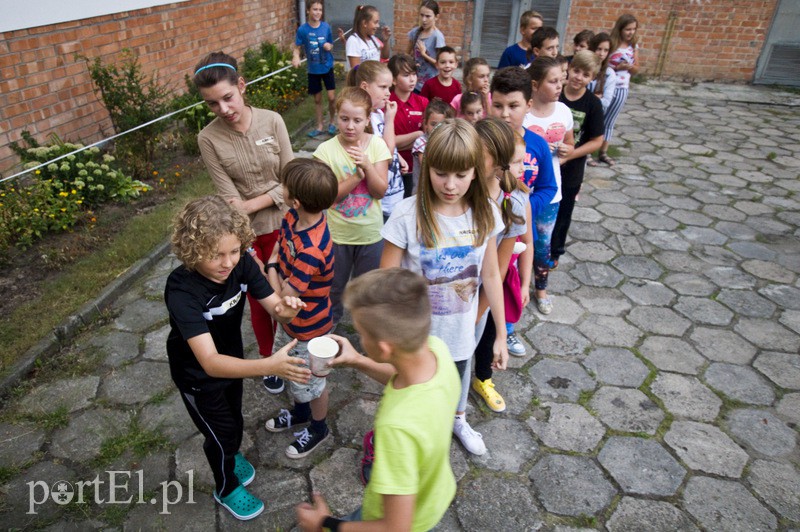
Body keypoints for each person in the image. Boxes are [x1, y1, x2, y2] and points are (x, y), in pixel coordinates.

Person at [164, 195, 310, 521]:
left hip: (233, 363)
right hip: (198, 376)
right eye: (215, 255)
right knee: (219, 435)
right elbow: (210, 362)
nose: (227, 262)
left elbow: (274, 306)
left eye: (233, 250)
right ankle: (225, 485)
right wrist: (269, 366)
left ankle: (230, 452)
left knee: (234, 420)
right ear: (191, 249)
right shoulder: (182, 289)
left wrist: (287, 308)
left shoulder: (242, 261)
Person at [295, 268, 460, 531]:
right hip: (432, 494)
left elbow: (395, 528)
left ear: (383, 348)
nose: (359, 339)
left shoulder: (397, 429)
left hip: (396, 521)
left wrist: (326, 523)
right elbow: (400, 374)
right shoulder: (436, 351)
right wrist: (358, 360)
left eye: (361, 333)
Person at [381, 119, 509, 456]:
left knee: (452, 391)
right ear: (426, 168)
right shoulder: (406, 215)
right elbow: (385, 283)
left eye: (461, 174)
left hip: (460, 335)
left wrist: (500, 334)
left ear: (475, 174)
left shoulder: (486, 213)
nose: (450, 185)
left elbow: (492, 275)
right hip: (414, 339)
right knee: (409, 400)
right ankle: (392, 444)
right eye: (441, 173)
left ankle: (456, 421)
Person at [193, 51, 292, 395]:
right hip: (246, 235)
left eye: (227, 97)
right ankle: (269, 359)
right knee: (259, 300)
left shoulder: (272, 121)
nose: (223, 109)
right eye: (212, 104)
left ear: (242, 85)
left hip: (287, 226)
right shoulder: (208, 139)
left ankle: (300, 350)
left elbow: (291, 181)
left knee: (293, 293)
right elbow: (229, 201)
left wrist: (254, 202)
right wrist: (257, 203)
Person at [263, 158, 339, 458]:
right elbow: (279, 245)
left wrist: (268, 268)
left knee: (312, 383)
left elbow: (283, 298)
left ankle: (319, 428)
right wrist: (275, 267)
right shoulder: (292, 217)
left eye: (284, 186)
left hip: (311, 329)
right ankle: (300, 412)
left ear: (294, 199)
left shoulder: (312, 249)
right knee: (297, 380)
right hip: (293, 325)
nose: (280, 189)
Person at [313, 87, 391, 326]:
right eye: (344, 119)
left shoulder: (377, 146)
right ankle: (330, 325)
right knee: (334, 286)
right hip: (338, 236)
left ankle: (368, 330)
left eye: (357, 120)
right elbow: (327, 198)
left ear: (368, 120)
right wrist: (356, 177)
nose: (350, 126)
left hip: (370, 235)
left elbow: (380, 192)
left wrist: (367, 165)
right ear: (336, 116)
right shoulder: (325, 151)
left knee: (368, 290)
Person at [471, 118, 532, 412]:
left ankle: (480, 381)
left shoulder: (513, 202)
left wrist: (479, 313)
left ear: (496, 161)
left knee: (482, 338)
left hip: (487, 287)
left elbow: (500, 268)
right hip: (451, 287)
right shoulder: (462, 192)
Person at [489, 67, 557, 314]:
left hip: (517, 230)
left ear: (528, 105)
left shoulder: (537, 145)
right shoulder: (480, 141)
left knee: (510, 285)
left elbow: (549, 187)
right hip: (485, 227)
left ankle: (507, 329)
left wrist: (523, 207)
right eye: (498, 105)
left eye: (513, 106)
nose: (504, 114)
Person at [524, 56, 575, 315]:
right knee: (517, 242)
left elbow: (570, 145)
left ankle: (540, 289)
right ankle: (514, 285)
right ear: (535, 84)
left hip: (549, 193)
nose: (559, 86)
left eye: (560, 80)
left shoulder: (563, 112)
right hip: (520, 191)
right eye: (553, 81)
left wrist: (566, 150)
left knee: (543, 244)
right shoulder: (522, 112)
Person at [553, 50, 605, 269]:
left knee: (564, 210)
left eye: (585, 74)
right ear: (568, 69)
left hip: (572, 168)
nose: (578, 77)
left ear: (592, 78)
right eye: (575, 70)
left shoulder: (592, 104)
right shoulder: (555, 94)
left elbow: (597, 140)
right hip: (548, 162)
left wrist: (572, 154)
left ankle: (554, 251)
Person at [347, 60, 406, 219]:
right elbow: (385, 152)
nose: (388, 93)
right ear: (365, 87)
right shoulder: (363, 120)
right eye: (383, 87)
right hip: (379, 200)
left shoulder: (379, 114)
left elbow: (387, 146)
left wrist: (398, 157)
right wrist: (389, 120)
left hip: (393, 192)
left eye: (389, 88)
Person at [597, 14, 640, 167]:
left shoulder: (633, 47)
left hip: (622, 87)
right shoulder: (612, 44)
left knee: (610, 120)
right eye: (628, 29)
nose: (630, 32)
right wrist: (616, 67)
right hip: (607, 84)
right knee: (597, 117)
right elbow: (602, 63)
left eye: (633, 29)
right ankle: (588, 150)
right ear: (620, 28)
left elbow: (636, 69)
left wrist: (630, 67)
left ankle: (603, 151)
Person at [293, 0, 338, 138]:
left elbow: (331, 43)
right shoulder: (303, 30)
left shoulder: (326, 27)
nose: (317, 12)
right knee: (317, 99)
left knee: (331, 97)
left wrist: (329, 46)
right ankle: (319, 125)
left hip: (327, 66)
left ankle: (332, 122)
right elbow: (297, 47)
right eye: (314, 9)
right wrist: (295, 57)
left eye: (320, 9)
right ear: (308, 10)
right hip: (313, 70)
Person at [388, 53, 429, 185]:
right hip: (393, 168)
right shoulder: (386, 104)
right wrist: (418, 135)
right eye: (406, 75)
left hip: (417, 167)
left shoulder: (423, 102)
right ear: (394, 80)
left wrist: (397, 143)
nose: (412, 79)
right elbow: (386, 143)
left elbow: (428, 138)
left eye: (414, 74)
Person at [411, 98, 454, 193]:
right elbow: (427, 166)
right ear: (425, 124)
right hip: (422, 192)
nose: (437, 128)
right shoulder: (421, 142)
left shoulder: (449, 141)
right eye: (433, 124)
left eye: (442, 124)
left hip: (442, 191)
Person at [406, 0, 445, 92]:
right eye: (421, 15)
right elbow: (406, 55)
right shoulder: (415, 32)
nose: (424, 20)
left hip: (430, 84)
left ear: (436, 17)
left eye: (428, 16)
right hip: (414, 83)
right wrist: (411, 63)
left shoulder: (437, 37)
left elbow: (440, 64)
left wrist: (424, 55)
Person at [344, 5, 391, 69]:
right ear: (365, 23)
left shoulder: (373, 39)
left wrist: (386, 41)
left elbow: (384, 57)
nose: (378, 26)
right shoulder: (354, 41)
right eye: (375, 22)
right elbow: (356, 70)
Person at [587, 32, 617, 113]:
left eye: (606, 50)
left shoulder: (609, 74)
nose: (601, 54)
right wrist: (595, 98)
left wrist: (588, 98)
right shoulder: (584, 67)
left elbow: (606, 102)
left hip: (596, 113)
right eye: (599, 49)